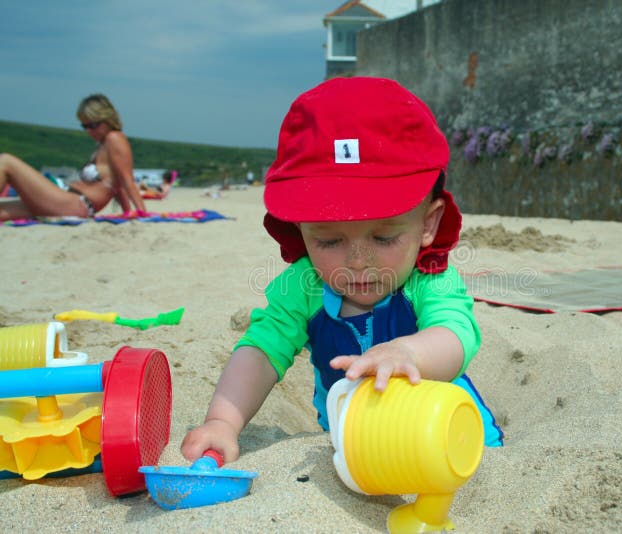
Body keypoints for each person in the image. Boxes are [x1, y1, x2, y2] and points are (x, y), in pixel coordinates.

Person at [181, 77, 504, 465]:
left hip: (451, 437)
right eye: (329, 241)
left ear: (427, 225)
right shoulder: (303, 287)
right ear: (299, 229)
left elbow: (456, 334)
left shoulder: (428, 278)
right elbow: (261, 353)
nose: (356, 261)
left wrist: (406, 351)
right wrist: (222, 421)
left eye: (384, 238)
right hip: (351, 442)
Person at [0, 94, 146, 221]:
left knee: (6, 161)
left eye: (93, 125)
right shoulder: (103, 144)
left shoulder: (115, 138)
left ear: (107, 118)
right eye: (85, 126)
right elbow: (117, 185)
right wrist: (126, 211)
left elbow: (127, 179)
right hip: (66, 201)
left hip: (75, 204)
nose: (89, 131)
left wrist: (141, 212)